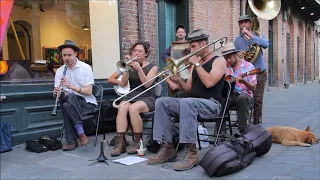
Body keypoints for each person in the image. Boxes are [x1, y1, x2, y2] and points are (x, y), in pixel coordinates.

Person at [147, 29, 227, 171]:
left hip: (212, 104)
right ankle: (167, 147)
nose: (191, 50)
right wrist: (178, 81)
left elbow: (210, 83)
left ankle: (191, 153)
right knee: (162, 102)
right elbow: (188, 89)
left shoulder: (219, 60)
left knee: (186, 102)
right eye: (190, 46)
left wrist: (197, 65)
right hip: (191, 103)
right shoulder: (194, 65)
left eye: (194, 46)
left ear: (203, 44)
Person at [111, 41, 158, 156]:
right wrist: (126, 68)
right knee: (122, 107)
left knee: (133, 108)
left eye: (140, 51)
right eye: (134, 51)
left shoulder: (153, 67)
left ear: (146, 54)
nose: (136, 53)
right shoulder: (130, 66)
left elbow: (147, 84)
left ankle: (138, 142)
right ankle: (121, 142)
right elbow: (123, 83)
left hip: (147, 96)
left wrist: (139, 69)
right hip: (132, 95)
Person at [53, 40, 98, 151]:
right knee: (67, 101)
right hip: (71, 104)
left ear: (76, 54)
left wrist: (71, 87)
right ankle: (81, 133)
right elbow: (59, 94)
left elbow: (89, 92)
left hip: (87, 104)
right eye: (64, 55)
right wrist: (56, 93)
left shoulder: (86, 68)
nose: (67, 58)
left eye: (69, 55)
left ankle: (71, 141)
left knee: (69, 99)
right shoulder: (59, 71)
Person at [234, 15, 269, 125]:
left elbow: (265, 44)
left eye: (245, 22)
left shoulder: (258, 35)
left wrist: (251, 35)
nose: (242, 25)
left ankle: (256, 120)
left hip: (259, 71)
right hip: (246, 74)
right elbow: (234, 57)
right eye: (240, 23)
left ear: (250, 23)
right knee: (241, 95)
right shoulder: (237, 40)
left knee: (258, 98)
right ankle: (242, 119)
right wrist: (238, 55)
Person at [222, 43, 257, 134]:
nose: (228, 60)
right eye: (226, 58)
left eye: (229, 57)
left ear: (235, 54)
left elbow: (253, 87)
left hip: (244, 95)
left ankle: (243, 131)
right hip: (231, 94)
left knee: (242, 98)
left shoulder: (249, 67)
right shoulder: (227, 68)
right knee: (220, 99)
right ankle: (220, 131)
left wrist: (244, 82)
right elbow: (225, 81)